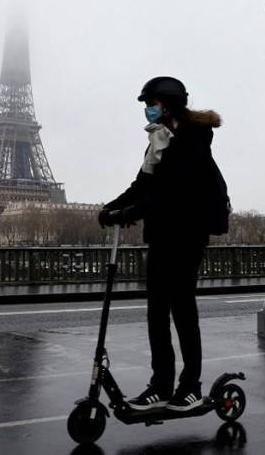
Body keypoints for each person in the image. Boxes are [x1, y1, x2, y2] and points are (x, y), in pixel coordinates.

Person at [98, 76, 229, 413]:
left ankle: (191, 387)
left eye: (150, 103)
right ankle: (161, 384)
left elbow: (173, 189)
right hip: (161, 231)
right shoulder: (157, 140)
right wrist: (110, 207)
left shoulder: (192, 138)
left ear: (167, 103)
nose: (147, 110)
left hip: (188, 229)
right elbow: (142, 184)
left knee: (182, 307)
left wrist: (130, 212)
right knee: (156, 310)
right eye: (146, 105)